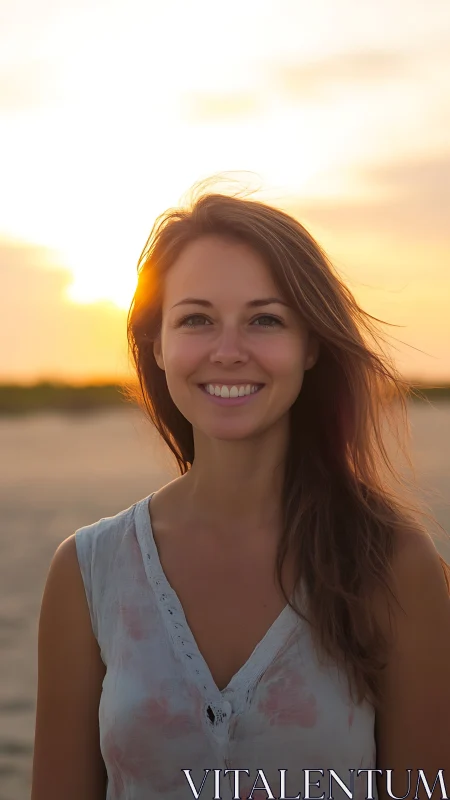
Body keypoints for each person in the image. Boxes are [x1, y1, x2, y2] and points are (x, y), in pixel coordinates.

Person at [31, 184, 450, 800]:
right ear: (158, 345)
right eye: (196, 319)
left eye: (265, 319)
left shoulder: (395, 565)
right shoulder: (88, 572)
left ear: (310, 346)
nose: (228, 352)